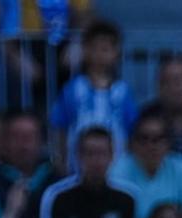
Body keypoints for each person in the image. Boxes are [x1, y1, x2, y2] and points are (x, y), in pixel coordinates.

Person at [50, 18, 135, 164]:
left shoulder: (123, 92)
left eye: (105, 49)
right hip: (78, 165)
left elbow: (131, 129)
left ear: (116, 53)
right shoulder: (73, 89)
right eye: (95, 48)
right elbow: (61, 128)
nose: (100, 54)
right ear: (85, 50)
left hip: (116, 164)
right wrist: (61, 161)